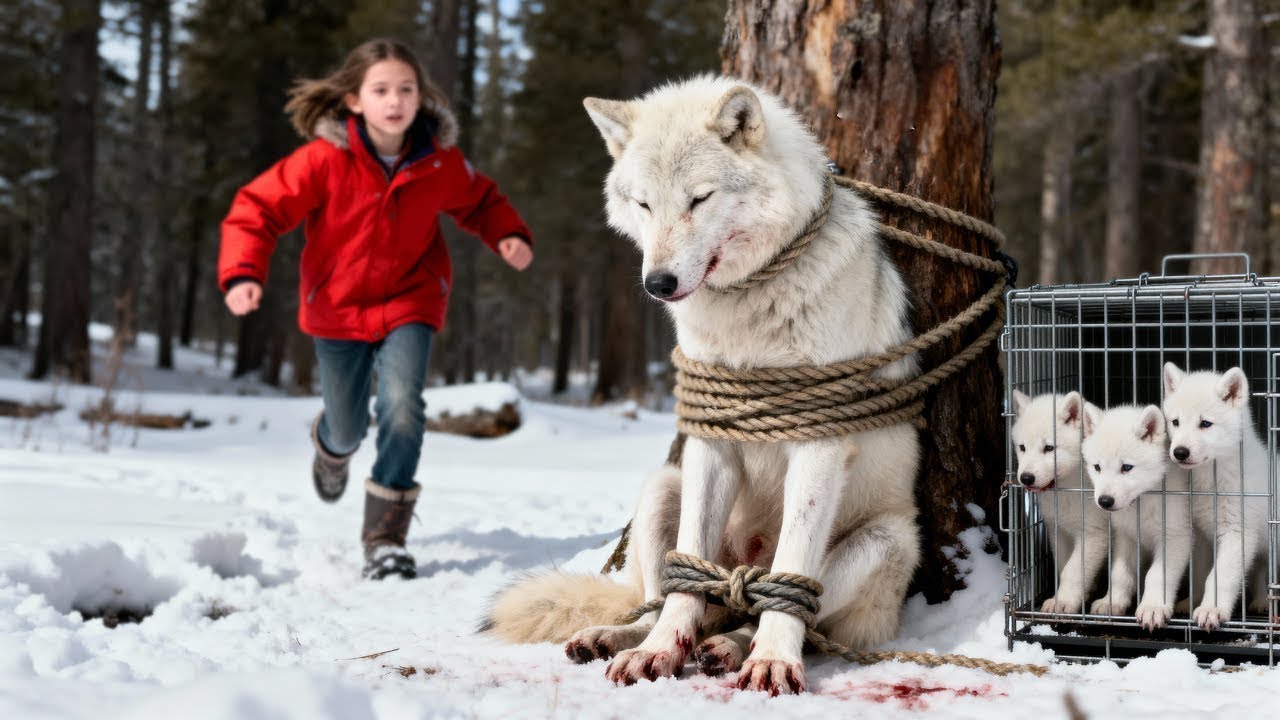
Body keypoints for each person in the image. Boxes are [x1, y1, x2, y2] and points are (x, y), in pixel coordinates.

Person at [217, 38, 533, 581]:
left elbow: (480, 200)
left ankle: (385, 538)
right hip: (337, 309)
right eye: (381, 89)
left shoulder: (438, 160)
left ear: (421, 98)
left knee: (403, 405)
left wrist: (506, 233)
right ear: (355, 101)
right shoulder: (324, 158)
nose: (395, 100)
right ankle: (330, 446)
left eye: (406, 89)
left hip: (410, 300)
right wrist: (244, 273)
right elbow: (257, 208)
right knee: (347, 426)